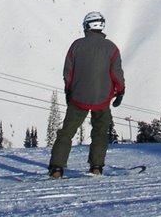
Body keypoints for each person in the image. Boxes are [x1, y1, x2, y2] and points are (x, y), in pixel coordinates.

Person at [48, 11, 125, 178]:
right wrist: (120, 91)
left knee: (66, 133)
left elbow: (68, 72)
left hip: (78, 98)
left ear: (87, 26)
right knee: (100, 132)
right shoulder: (111, 48)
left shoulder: (76, 45)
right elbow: (116, 73)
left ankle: (56, 169)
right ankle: (96, 167)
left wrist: (68, 91)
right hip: (102, 99)